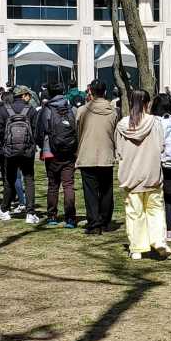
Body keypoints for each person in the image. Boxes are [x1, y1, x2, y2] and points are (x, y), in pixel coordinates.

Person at [115, 90, 171, 260]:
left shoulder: (122, 125)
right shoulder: (155, 123)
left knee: (134, 212)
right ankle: (158, 240)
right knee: (155, 209)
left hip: (131, 175)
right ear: (147, 103)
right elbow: (161, 146)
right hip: (152, 173)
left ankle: (137, 248)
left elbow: (119, 151)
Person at [0, 85, 41, 224]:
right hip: (27, 151)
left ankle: (5, 210)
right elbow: (36, 130)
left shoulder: (4, 110)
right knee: (29, 180)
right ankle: (30, 213)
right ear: (24, 95)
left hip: (9, 151)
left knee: (9, 180)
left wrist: (7, 141)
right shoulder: (31, 110)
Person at [76, 79, 118, 235]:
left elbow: (78, 132)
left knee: (91, 192)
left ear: (90, 93)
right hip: (106, 154)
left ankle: (94, 223)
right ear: (105, 92)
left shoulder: (82, 111)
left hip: (87, 154)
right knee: (106, 190)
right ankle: (105, 221)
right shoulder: (113, 111)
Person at [38, 83, 77, 228]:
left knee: (53, 185)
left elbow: (40, 131)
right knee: (68, 185)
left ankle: (52, 216)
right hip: (69, 151)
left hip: (51, 151)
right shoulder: (71, 109)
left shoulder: (46, 110)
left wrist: (41, 146)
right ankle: (70, 218)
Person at [151, 94, 171, 243]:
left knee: (156, 196)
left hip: (160, 160)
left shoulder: (155, 122)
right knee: (170, 198)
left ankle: (157, 228)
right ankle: (169, 230)